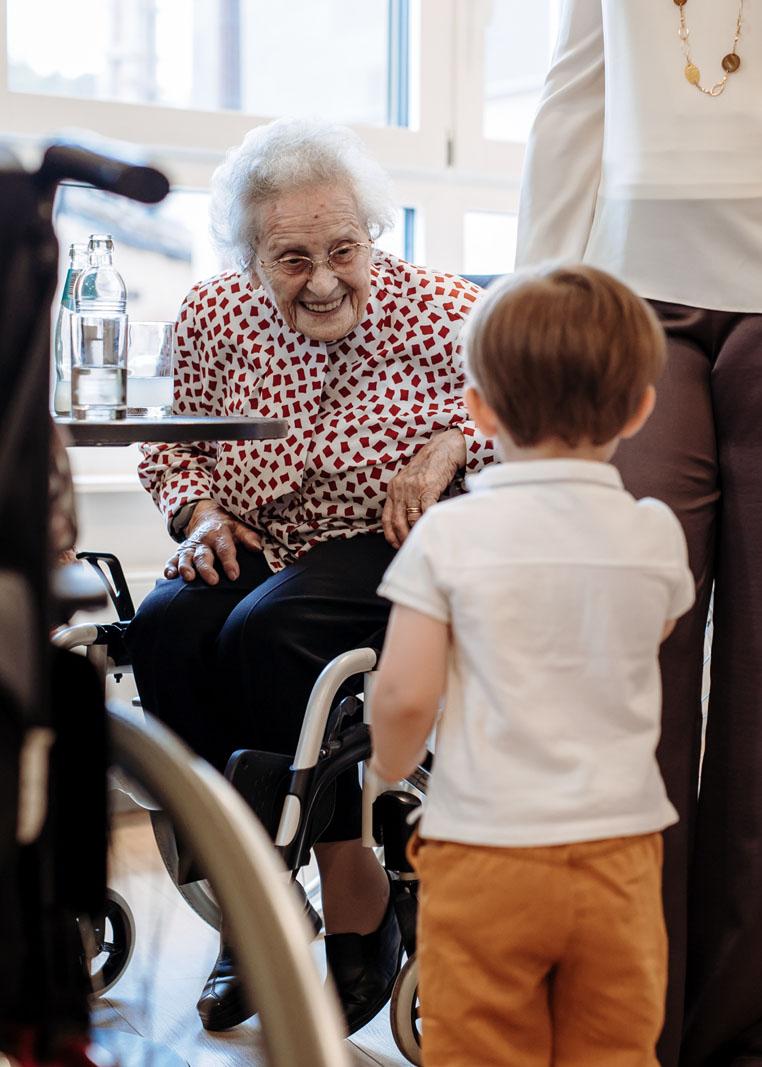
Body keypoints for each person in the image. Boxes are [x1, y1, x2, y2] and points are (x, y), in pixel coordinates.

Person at [126, 116, 494, 1035]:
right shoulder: (212, 316)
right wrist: (202, 514)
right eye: (291, 258)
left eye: (343, 248)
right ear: (250, 256)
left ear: (373, 235)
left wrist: (450, 444)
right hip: (256, 533)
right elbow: (171, 448)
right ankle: (251, 898)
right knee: (164, 626)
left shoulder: (441, 308)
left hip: (383, 536)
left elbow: (522, 411)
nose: (324, 279)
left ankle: (350, 881)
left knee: (269, 627)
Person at [515, 4, 762, 1064]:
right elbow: (576, 91)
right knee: (630, 665)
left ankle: (739, 1027)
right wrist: (531, 326)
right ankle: (629, 1024)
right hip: (629, 294)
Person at [370, 265, 695, 1067]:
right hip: (620, 853)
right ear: (642, 407)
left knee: (482, 1048)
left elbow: (407, 692)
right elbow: (647, 629)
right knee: (616, 1049)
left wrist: (387, 768)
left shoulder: (450, 536)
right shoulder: (654, 532)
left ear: (477, 409)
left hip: (486, 851)